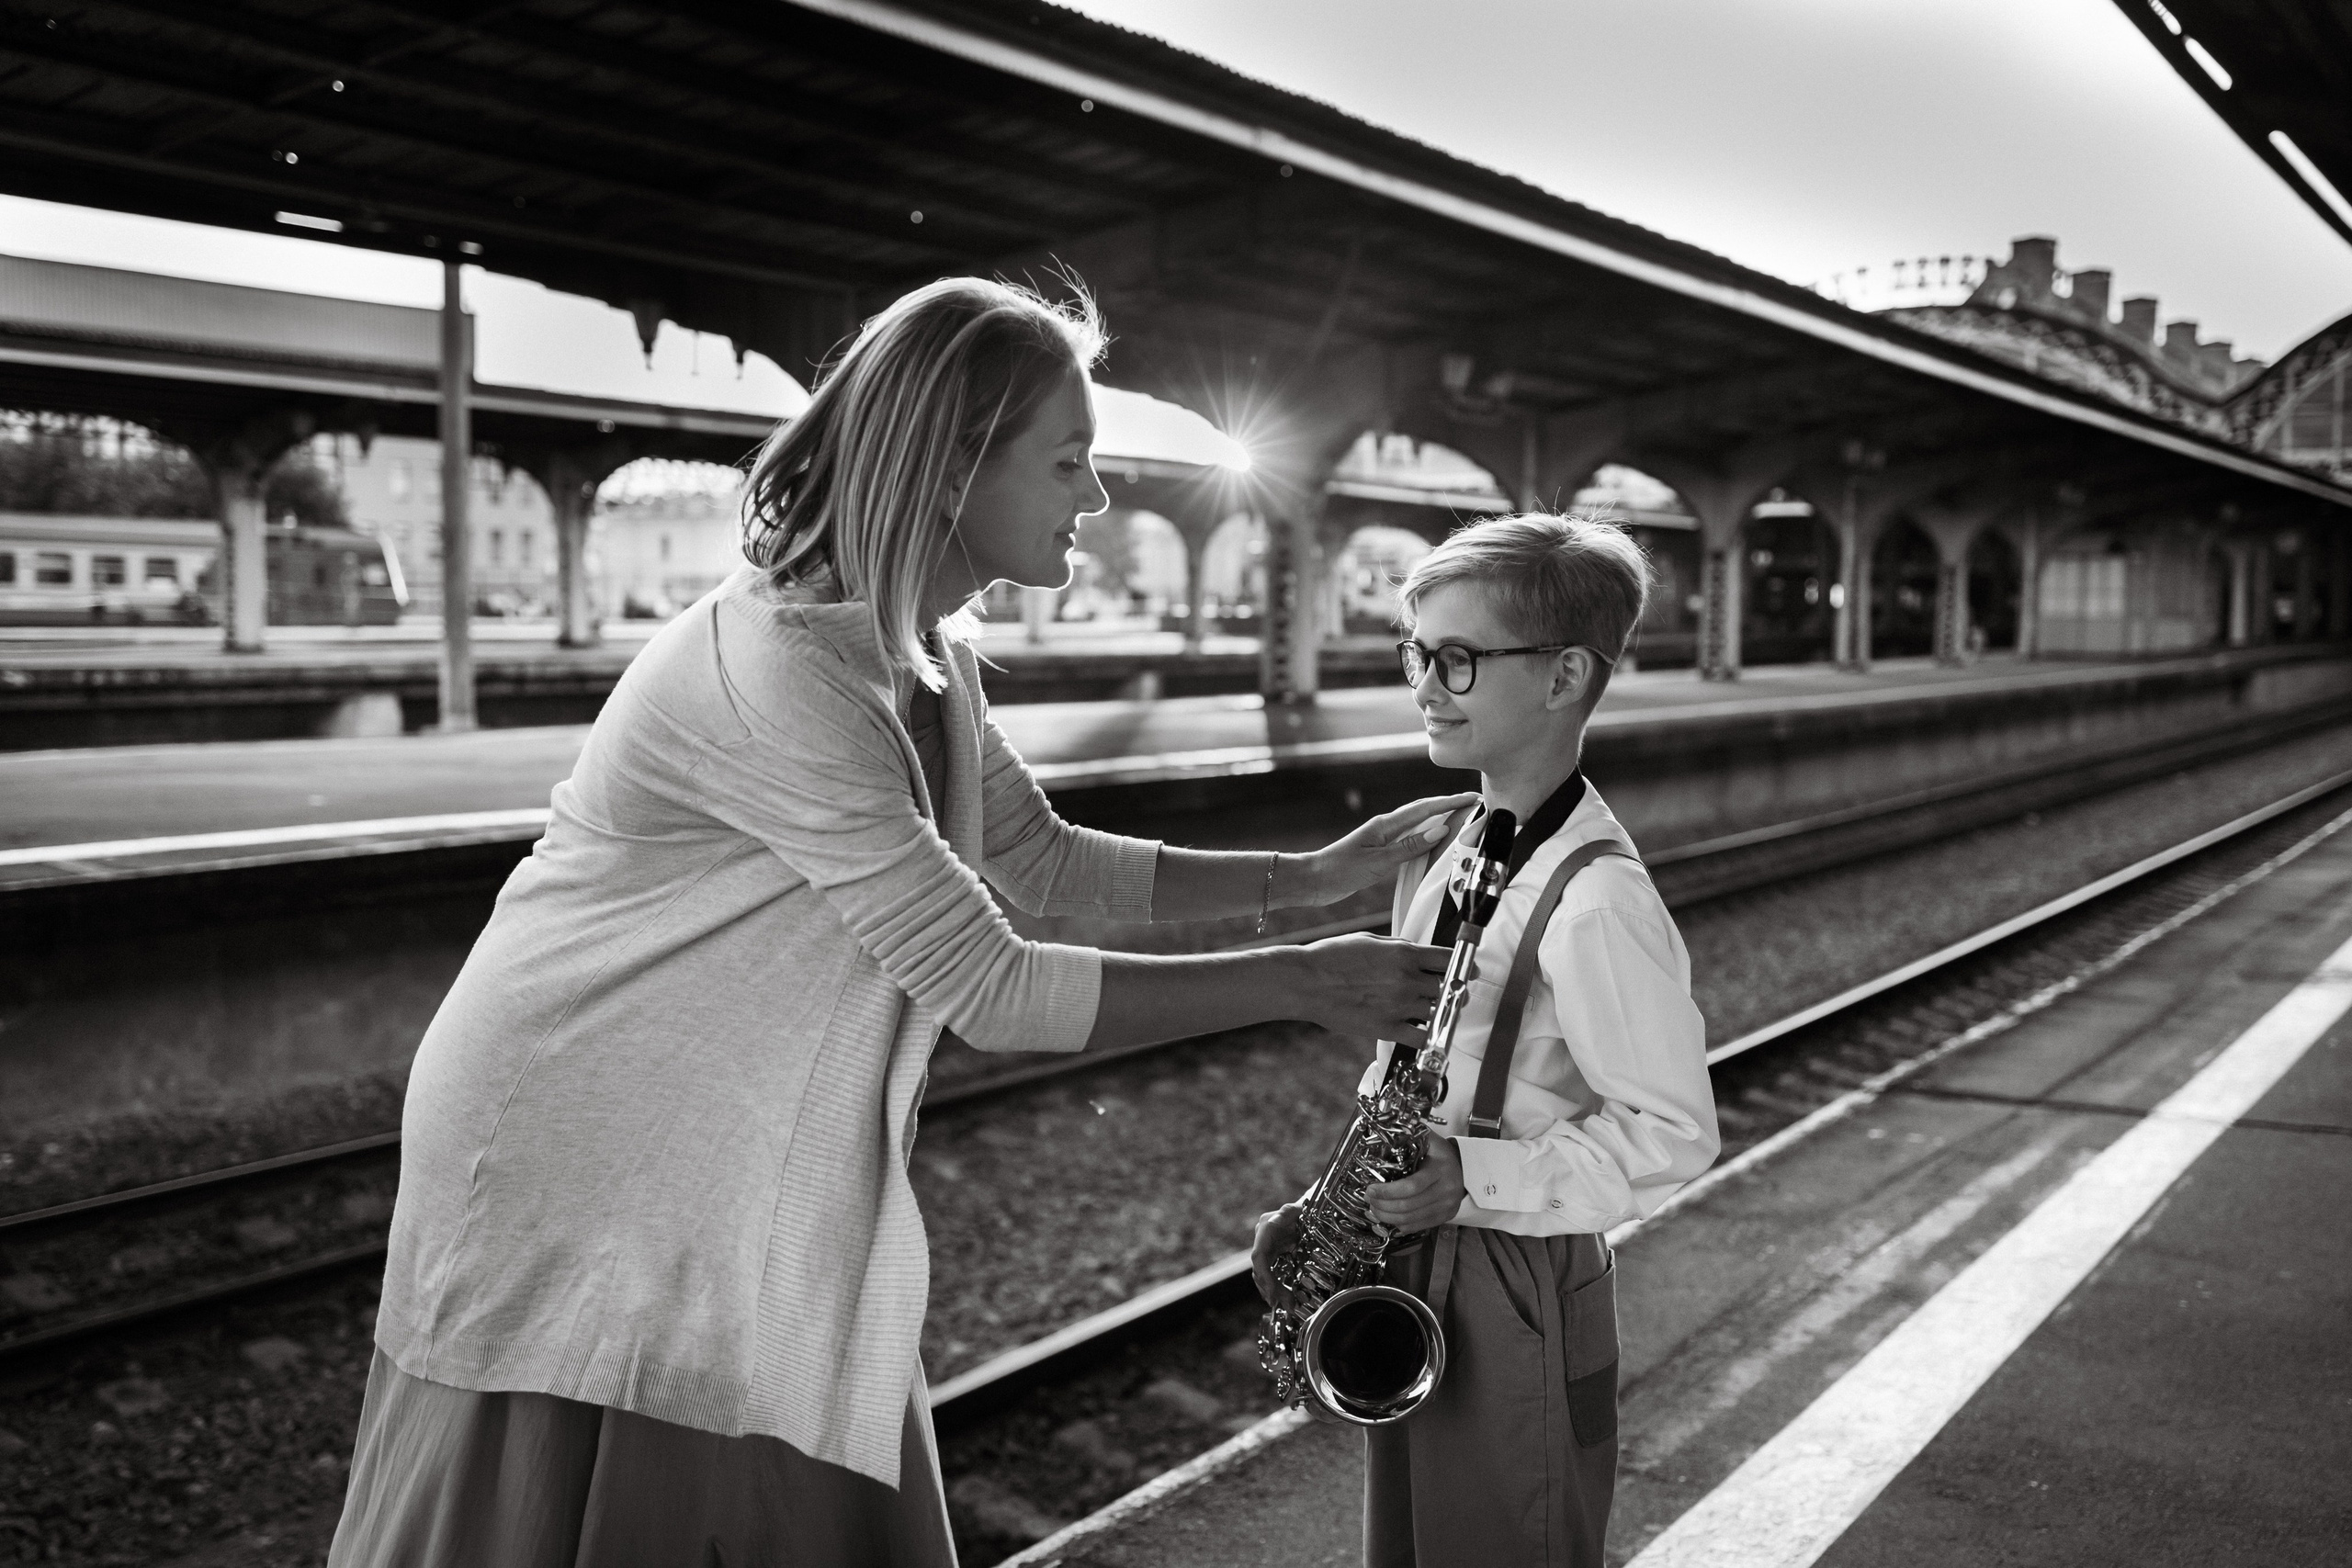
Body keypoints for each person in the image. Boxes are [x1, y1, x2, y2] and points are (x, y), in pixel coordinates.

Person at [327, 276, 1478, 1568]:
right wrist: (1304, 981)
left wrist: (1314, 873)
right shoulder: (781, 672)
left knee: (782, 1423)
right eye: (1068, 460)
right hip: (581, 1139)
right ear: (947, 469)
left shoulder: (918, 648)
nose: (1095, 498)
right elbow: (990, 984)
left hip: (718, 1129)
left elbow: (1040, 859)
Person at [1252, 513, 1721, 1568]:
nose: (1424, 683)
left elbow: (1674, 1134)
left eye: (1457, 660)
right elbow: (1410, 1069)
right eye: (1418, 653)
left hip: (1518, 1281)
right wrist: (1334, 1204)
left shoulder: (1597, 899)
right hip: (1419, 1255)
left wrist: (1471, 1177)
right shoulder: (1447, 845)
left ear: (1562, 677)